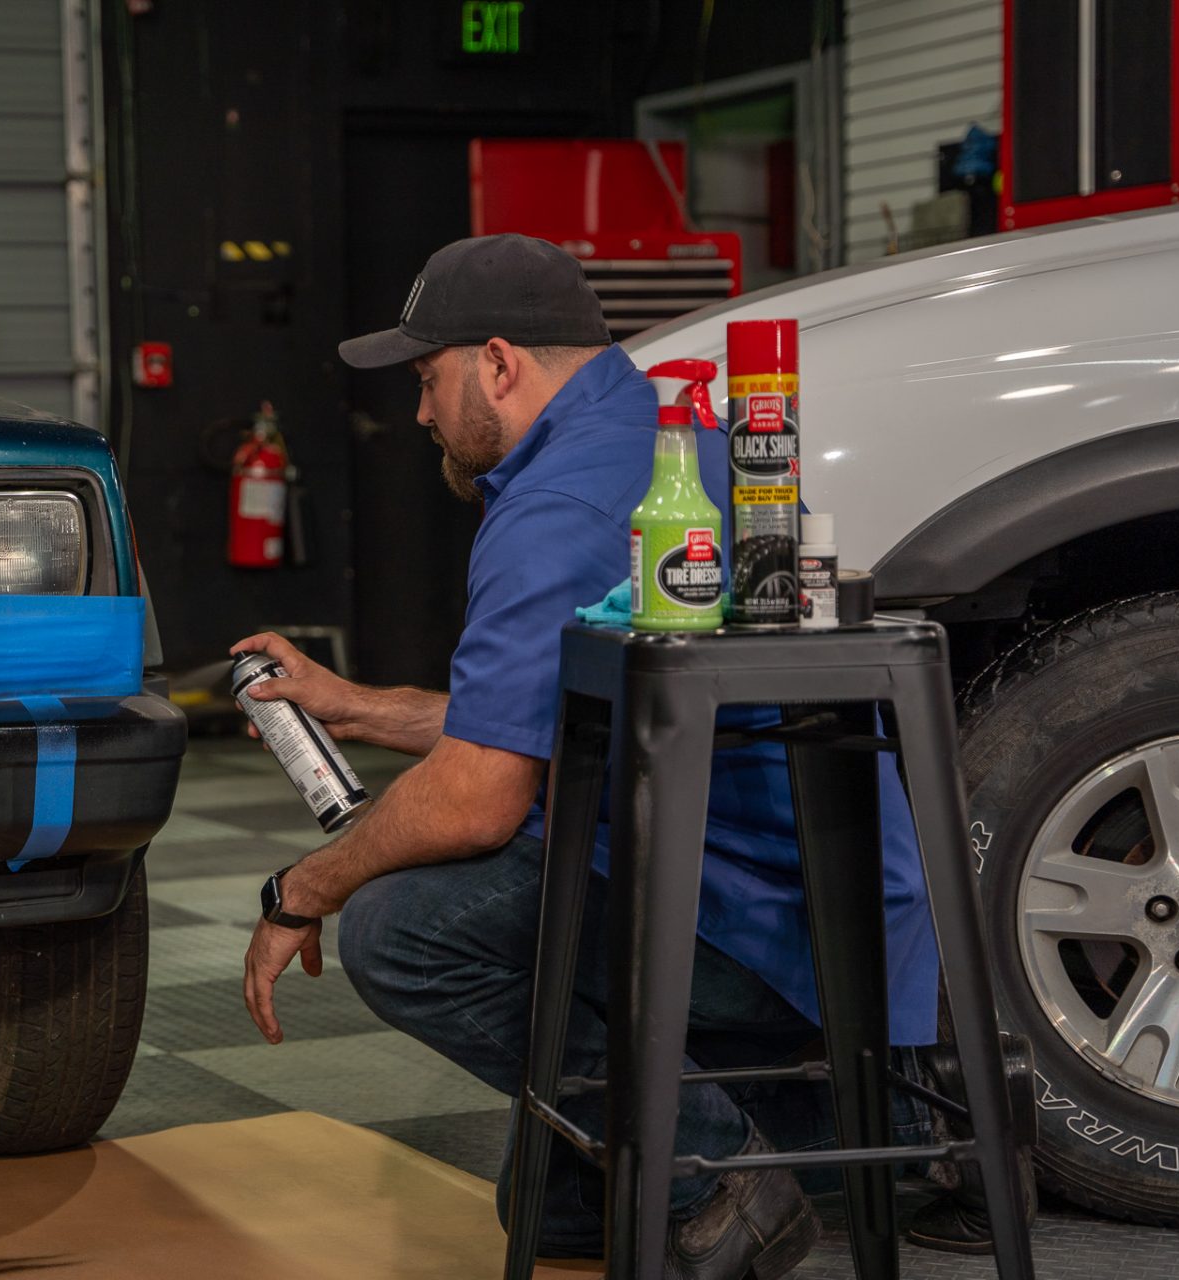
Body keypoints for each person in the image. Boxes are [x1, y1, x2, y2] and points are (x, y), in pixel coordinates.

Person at [231, 233, 940, 1280]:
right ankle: (742, 1122)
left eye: (430, 379)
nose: (422, 411)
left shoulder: (555, 510)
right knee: (552, 1212)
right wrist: (355, 707)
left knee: (400, 931)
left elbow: (478, 793)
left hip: (755, 926)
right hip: (827, 900)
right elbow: (564, 711)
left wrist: (301, 889)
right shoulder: (659, 436)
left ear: (500, 363)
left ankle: (721, 1174)